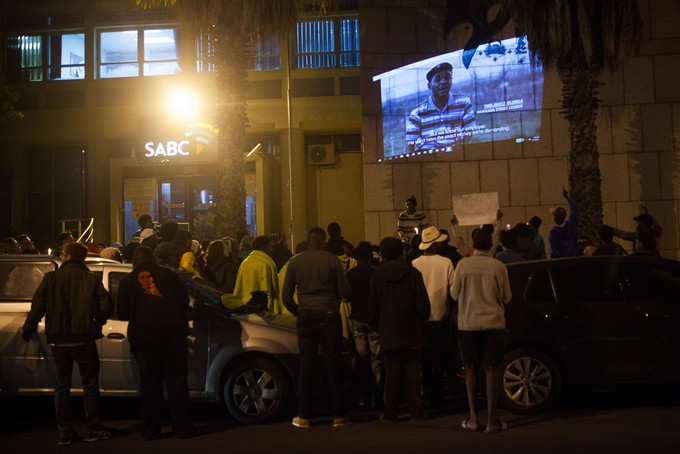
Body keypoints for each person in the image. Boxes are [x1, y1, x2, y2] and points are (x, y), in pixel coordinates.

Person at [21, 242, 111, 445]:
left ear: (68, 256)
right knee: (90, 384)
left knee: (61, 387)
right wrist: (97, 321)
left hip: (57, 340)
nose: (61, 256)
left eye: (63, 253)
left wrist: (29, 327)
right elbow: (105, 304)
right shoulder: (91, 279)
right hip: (83, 339)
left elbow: (38, 305)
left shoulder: (50, 278)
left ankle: (65, 433)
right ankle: (93, 428)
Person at [116, 246, 194, 440]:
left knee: (150, 384)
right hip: (173, 334)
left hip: (144, 338)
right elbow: (184, 300)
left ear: (135, 261)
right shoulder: (169, 275)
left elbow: (123, 313)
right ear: (153, 259)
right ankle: (182, 429)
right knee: (176, 382)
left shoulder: (127, 281)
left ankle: (151, 430)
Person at [282, 227, 352, 429]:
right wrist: (337, 299)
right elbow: (346, 290)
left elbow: (286, 295)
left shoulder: (295, 261)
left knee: (307, 365)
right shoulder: (332, 260)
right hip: (329, 313)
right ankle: (339, 414)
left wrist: (298, 310)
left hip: (305, 313)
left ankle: (304, 415)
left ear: (307, 239)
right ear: (323, 240)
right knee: (332, 363)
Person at [452, 229, 512, 434]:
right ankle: (492, 421)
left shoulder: (463, 265)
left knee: (470, 369)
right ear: (491, 246)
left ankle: (474, 419)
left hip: (468, 324)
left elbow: (453, 294)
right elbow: (507, 297)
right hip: (493, 324)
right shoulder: (498, 267)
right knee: (492, 370)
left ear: (473, 245)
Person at [370, 237, 430, 421]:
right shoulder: (413, 274)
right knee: (412, 372)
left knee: (392, 373)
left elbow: (373, 305)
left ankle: (390, 412)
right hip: (411, 329)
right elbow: (423, 305)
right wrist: (422, 323)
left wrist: (377, 326)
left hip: (388, 329)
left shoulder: (377, 275)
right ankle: (415, 411)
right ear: (400, 252)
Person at [411, 225, 455, 408]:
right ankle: (436, 397)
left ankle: (426, 395)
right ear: (437, 244)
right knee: (439, 361)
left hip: (421, 320)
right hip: (440, 318)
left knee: (424, 361)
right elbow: (454, 292)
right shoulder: (446, 263)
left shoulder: (414, 264)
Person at [405, 62, 475, 153]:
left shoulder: (464, 103)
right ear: (429, 86)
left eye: (447, 78)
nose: (443, 82)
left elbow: (469, 133)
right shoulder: (417, 114)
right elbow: (409, 146)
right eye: (438, 79)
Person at [346, 242, 383, 409]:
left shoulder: (350, 274)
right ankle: (378, 396)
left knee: (362, 359)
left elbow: (345, 297)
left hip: (357, 319)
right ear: (370, 257)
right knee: (377, 360)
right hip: (373, 320)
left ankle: (364, 396)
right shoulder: (375, 274)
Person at [223, 235, 280, 311]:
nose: (271, 249)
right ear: (262, 248)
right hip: (263, 306)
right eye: (269, 246)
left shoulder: (245, 262)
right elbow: (271, 291)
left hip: (246, 306)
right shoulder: (266, 263)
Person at [549, 188, 581, 258]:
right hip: (575, 260)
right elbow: (574, 212)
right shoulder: (571, 225)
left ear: (554, 218)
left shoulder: (553, 233)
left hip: (563, 263)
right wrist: (568, 198)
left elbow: (554, 252)